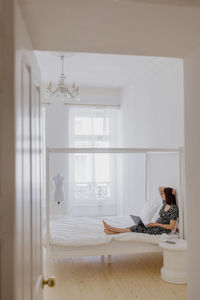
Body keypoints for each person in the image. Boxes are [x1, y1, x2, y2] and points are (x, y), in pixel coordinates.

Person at [103, 187, 178, 235]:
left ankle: (113, 230)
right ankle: (113, 231)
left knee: (138, 228)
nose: (161, 195)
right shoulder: (165, 204)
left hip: (161, 230)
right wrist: (171, 191)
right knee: (138, 226)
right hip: (155, 226)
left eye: (163, 194)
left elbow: (171, 226)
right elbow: (160, 188)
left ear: (168, 195)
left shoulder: (173, 209)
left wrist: (156, 224)